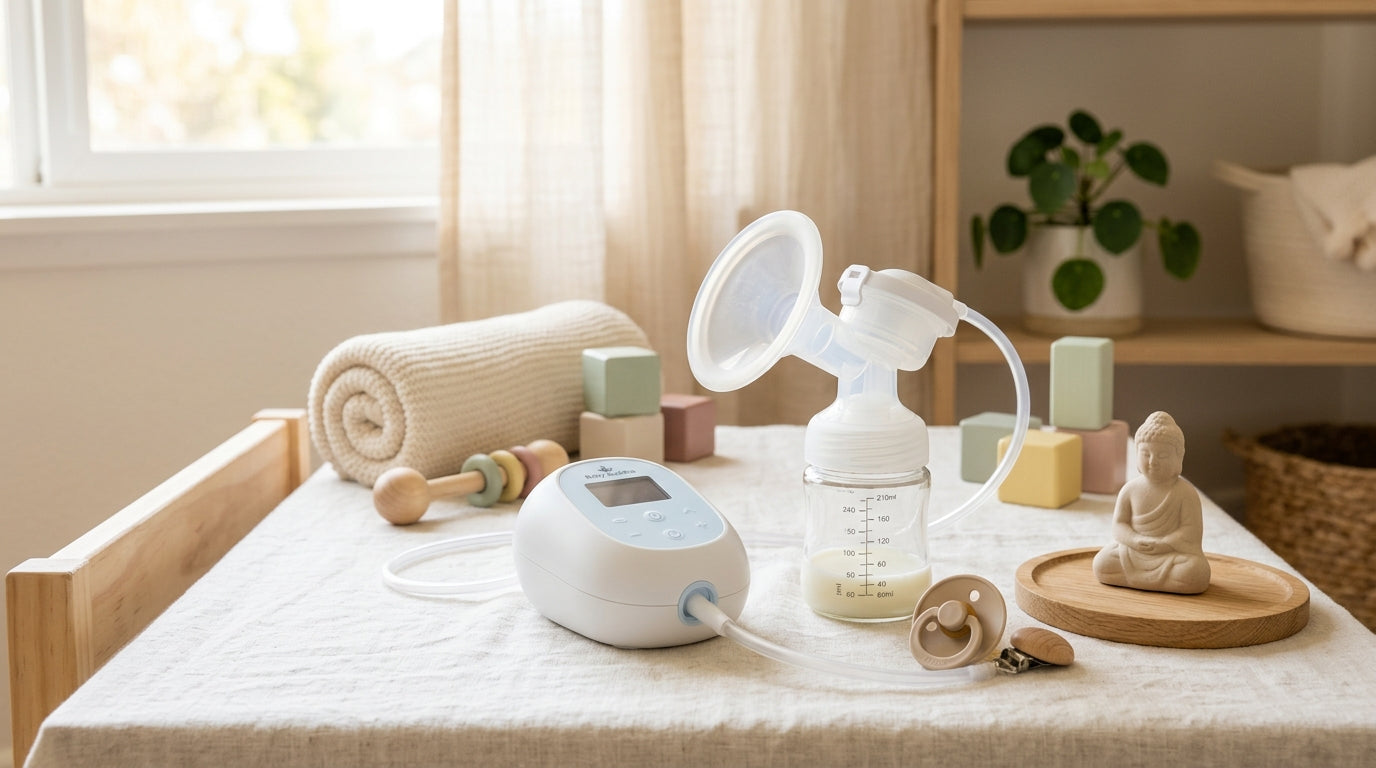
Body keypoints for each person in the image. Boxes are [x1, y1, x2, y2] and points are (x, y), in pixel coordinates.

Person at [1092, 411, 1211, 594]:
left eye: (1162, 456)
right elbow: (1119, 525)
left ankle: (1152, 579)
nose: (1153, 462)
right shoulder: (1130, 489)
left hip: (1170, 555)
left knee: (1194, 572)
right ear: (1137, 454)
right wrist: (1135, 539)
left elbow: (1191, 531)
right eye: (1146, 454)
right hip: (1133, 552)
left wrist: (1164, 543)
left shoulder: (1185, 493)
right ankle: (1155, 581)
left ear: (1179, 457)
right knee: (1102, 563)